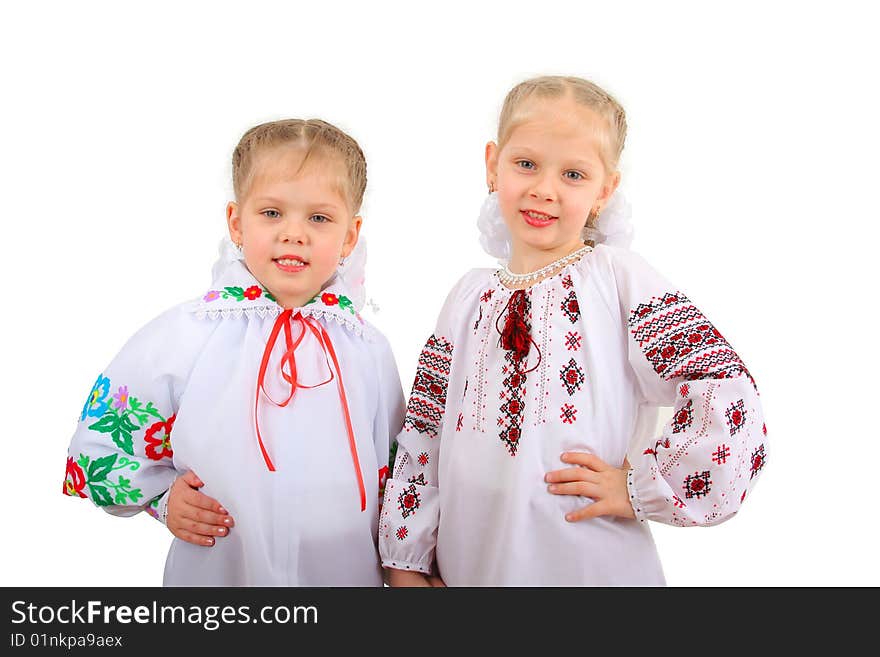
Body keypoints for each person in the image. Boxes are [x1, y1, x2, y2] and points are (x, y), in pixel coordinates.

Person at [379, 76, 768, 586]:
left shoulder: (617, 279)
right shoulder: (467, 298)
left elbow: (725, 388)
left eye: (573, 174)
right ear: (493, 164)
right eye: (526, 164)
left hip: (586, 563)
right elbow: (425, 429)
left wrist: (640, 488)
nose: (544, 188)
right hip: (471, 562)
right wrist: (405, 558)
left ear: (605, 189)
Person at [63, 119, 404, 586]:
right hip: (220, 575)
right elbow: (103, 442)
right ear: (236, 222)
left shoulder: (369, 349)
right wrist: (162, 497)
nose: (294, 233)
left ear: (350, 235)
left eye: (319, 218)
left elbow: (400, 469)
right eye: (271, 213)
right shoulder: (188, 334)